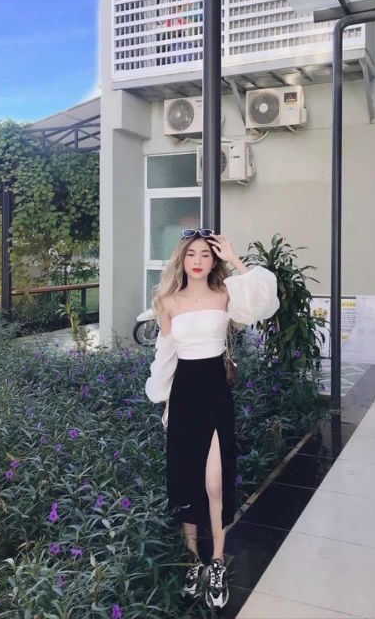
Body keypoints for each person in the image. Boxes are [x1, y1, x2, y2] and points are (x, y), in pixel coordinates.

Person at [144, 228, 280, 609]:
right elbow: (165, 356)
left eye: (205, 254)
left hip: (215, 393)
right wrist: (165, 401)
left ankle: (217, 560)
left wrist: (235, 258)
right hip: (184, 394)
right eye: (191, 254)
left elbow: (263, 299)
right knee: (187, 480)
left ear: (213, 259)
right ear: (182, 259)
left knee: (215, 483)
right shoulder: (167, 301)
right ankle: (193, 559)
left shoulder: (225, 294)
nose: (198, 261)